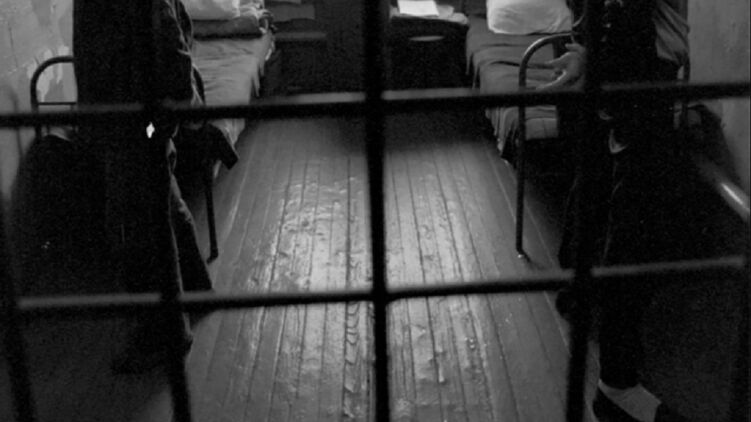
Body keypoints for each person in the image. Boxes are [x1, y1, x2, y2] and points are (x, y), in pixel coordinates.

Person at [540, 1, 691, 421]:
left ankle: (579, 292)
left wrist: (593, 56)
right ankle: (617, 385)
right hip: (638, 84)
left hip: (625, 79)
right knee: (634, 233)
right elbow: (625, 20)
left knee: (606, 197)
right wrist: (600, 62)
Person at [73, 0, 213, 374]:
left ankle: (165, 335)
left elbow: (170, 37)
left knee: (136, 226)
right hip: (135, 116)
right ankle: (196, 289)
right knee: (162, 201)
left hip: (135, 119)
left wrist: (181, 104)